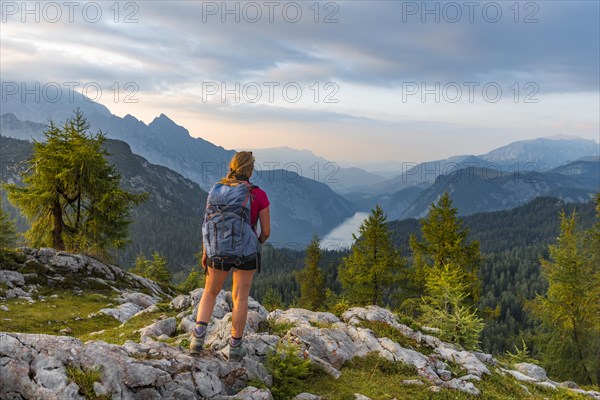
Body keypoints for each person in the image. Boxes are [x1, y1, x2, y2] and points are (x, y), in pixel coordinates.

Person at [190, 151, 270, 362]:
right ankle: (235, 347)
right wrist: (256, 243)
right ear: (250, 170)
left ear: (232, 166)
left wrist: (206, 251)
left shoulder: (216, 190)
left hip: (218, 249)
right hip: (246, 253)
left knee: (210, 292)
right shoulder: (258, 194)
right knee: (239, 298)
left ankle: (197, 341)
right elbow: (266, 231)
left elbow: (207, 224)